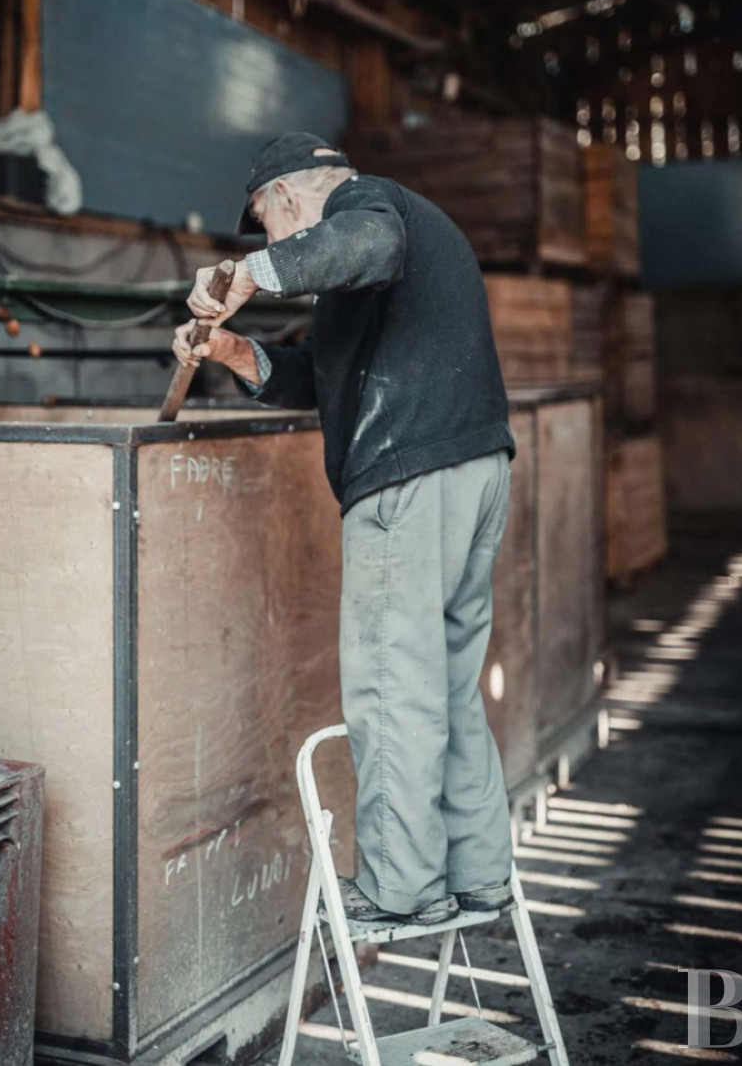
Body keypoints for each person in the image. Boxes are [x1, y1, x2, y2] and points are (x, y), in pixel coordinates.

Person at [173, 131, 517, 926]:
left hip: (408, 475)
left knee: (393, 686)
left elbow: (362, 241)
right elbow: (326, 377)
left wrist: (248, 275)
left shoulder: (373, 209)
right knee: (446, 686)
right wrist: (230, 347)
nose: (275, 241)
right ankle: (479, 870)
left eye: (268, 224)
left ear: (290, 199)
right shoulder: (378, 264)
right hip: (469, 470)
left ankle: (401, 887)